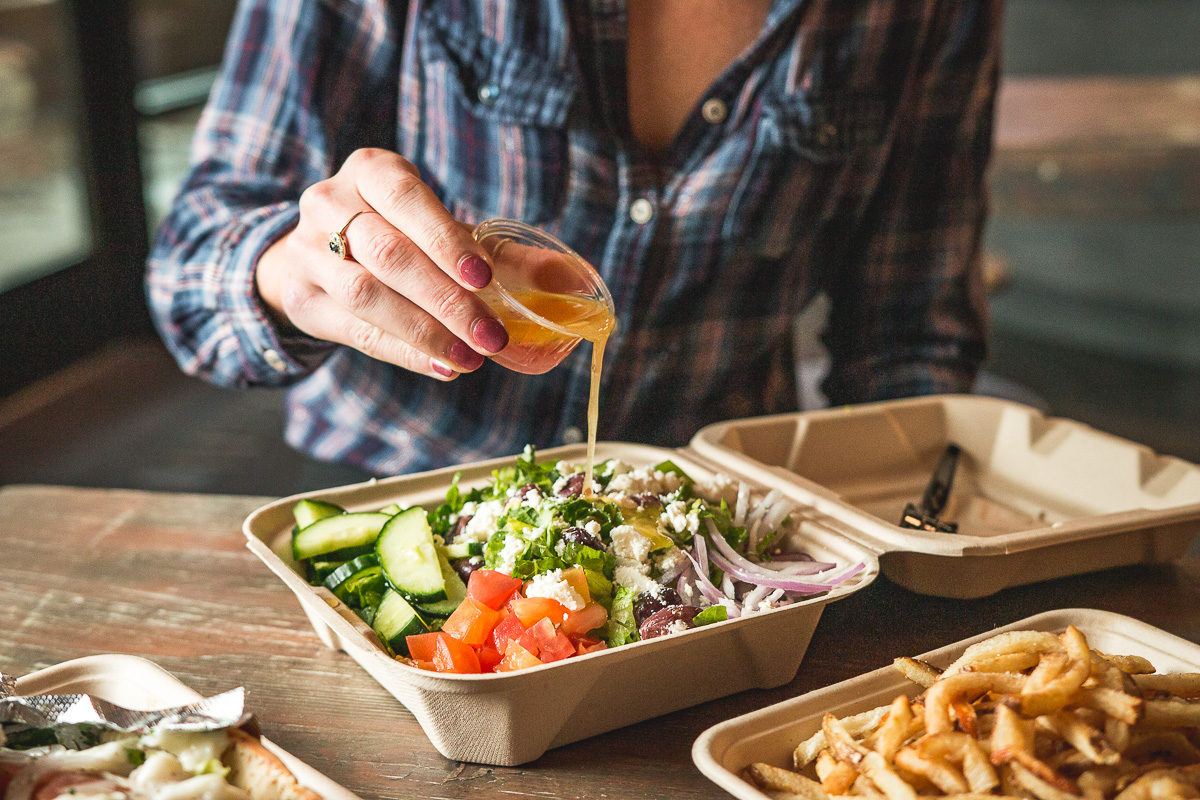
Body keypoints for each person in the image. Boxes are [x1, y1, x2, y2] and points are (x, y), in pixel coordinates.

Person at [147, 0, 998, 477]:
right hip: (379, 488)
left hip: (712, 530)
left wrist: (891, 520)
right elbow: (191, 261)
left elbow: (910, 332)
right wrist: (285, 271)